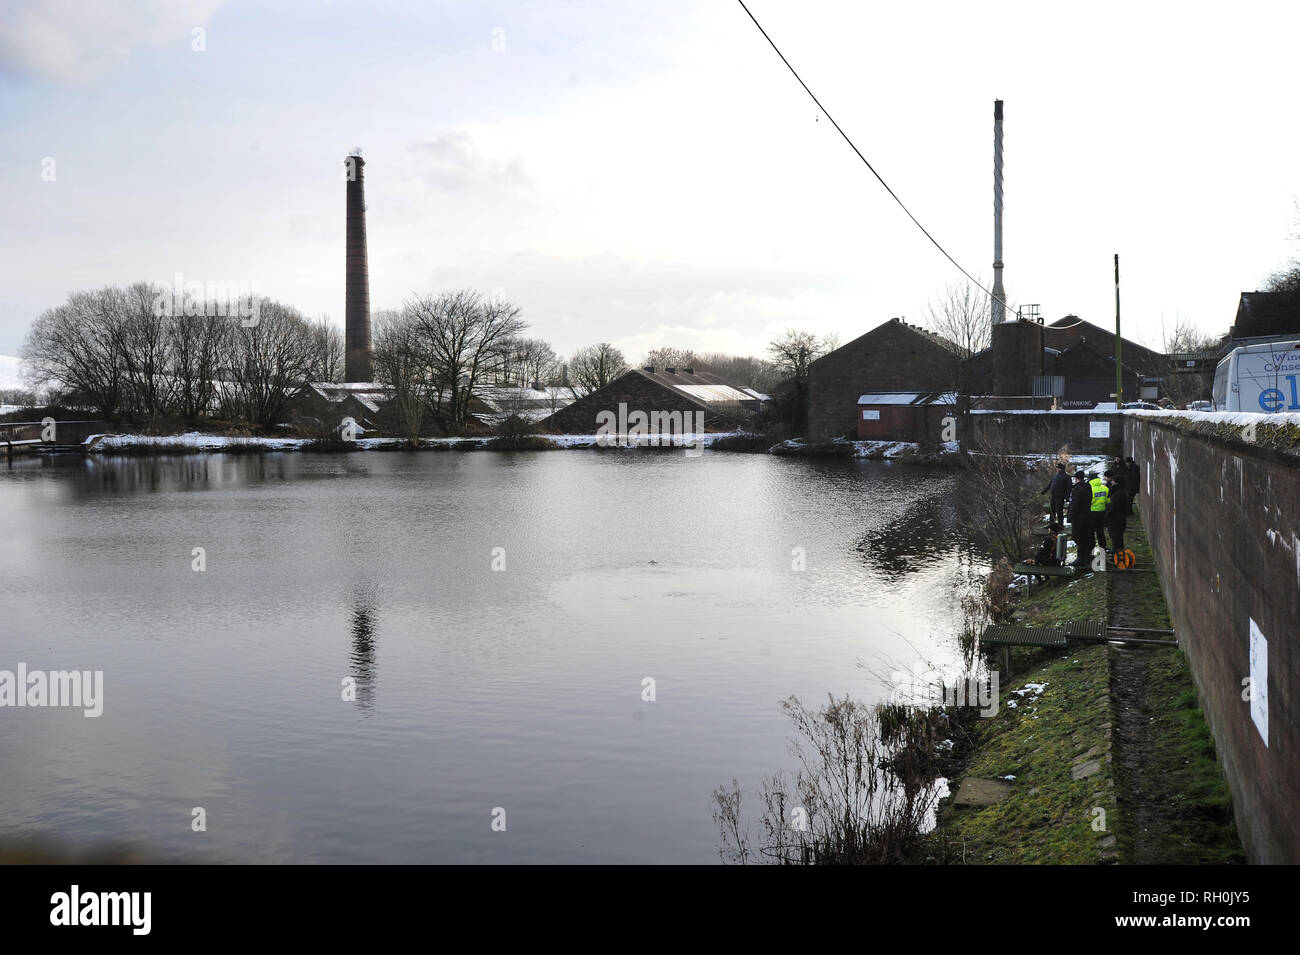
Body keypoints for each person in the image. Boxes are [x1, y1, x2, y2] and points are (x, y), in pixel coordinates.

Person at [1068, 471, 1092, 567]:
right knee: (1084, 536)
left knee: (1077, 536)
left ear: (1076, 478)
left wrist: (1070, 516)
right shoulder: (1087, 487)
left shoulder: (1078, 489)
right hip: (1086, 516)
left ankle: (1081, 558)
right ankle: (1085, 557)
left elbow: (1075, 504)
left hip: (1078, 517)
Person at [1107, 473, 1129, 559]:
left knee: (1117, 536)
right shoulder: (1118, 492)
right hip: (1117, 518)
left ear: (1117, 483)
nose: (1111, 482)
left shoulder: (1119, 494)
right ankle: (1115, 549)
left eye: (1113, 481)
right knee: (1114, 536)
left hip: (1117, 519)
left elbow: (1114, 506)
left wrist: (1108, 512)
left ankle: (1118, 554)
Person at [1042, 462, 1071, 528]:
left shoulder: (1067, 477)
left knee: (1059, 510)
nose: (1057, 469)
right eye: (1057, 468)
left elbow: (1069, 488)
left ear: (1062, 469)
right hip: (1053, 496)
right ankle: (1051, 523)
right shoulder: (1055, 476)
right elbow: (1050, 485)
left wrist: (1067, 497)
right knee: (1052, 510)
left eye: (1058, 468)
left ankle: (1060, 525)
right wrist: (1044, 490)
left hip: (1060, 496)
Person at [1090, 470, 1110, 555]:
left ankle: (1091, 549)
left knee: (1091, 532)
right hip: (1102, 512)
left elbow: (1088, 502)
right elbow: (1108, 501)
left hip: (1092, 513)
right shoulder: (1105, 488)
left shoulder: (1090, 489)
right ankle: (1103, 548)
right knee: (1100, 531)